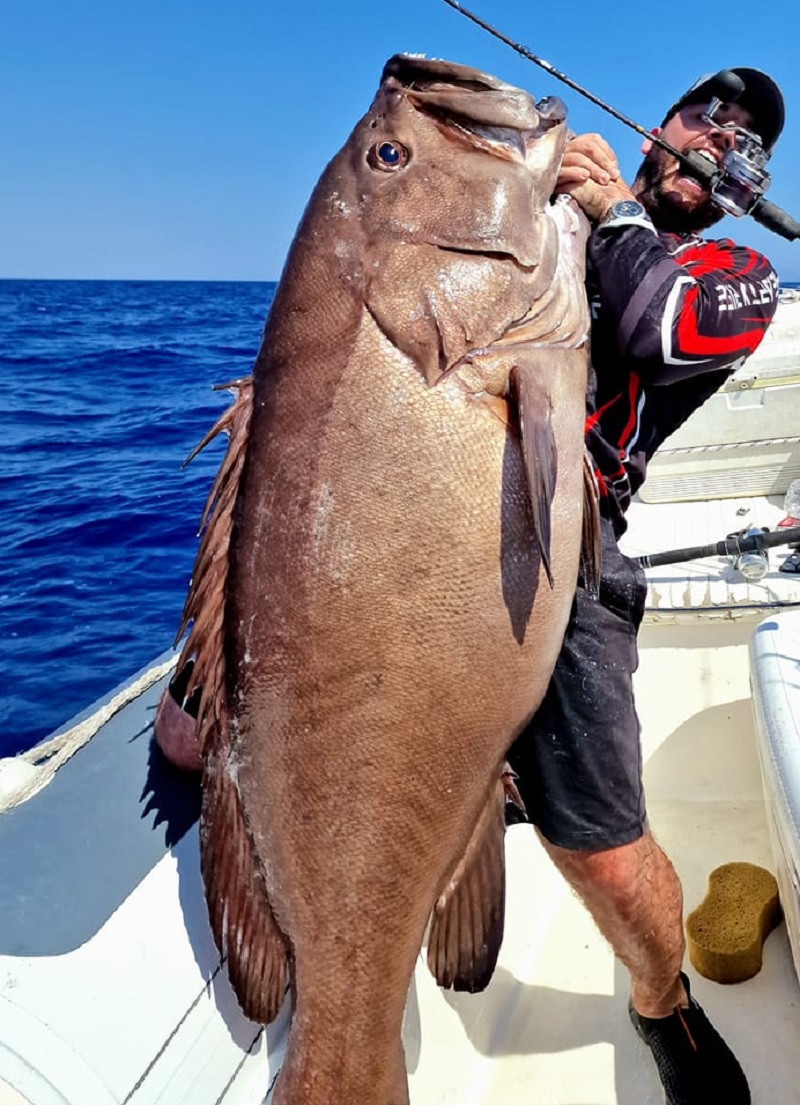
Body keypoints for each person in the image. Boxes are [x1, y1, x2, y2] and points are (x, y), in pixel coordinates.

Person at [507, 67, 785, 1104]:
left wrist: (611, 208)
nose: (721, 142)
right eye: (705, 119)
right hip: (445, 532)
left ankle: (657, 999)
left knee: (609, 858)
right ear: (656, 126)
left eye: (746, 146)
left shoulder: (735, 274)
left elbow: (650, 329)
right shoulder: (556, 216)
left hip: (578, 551)